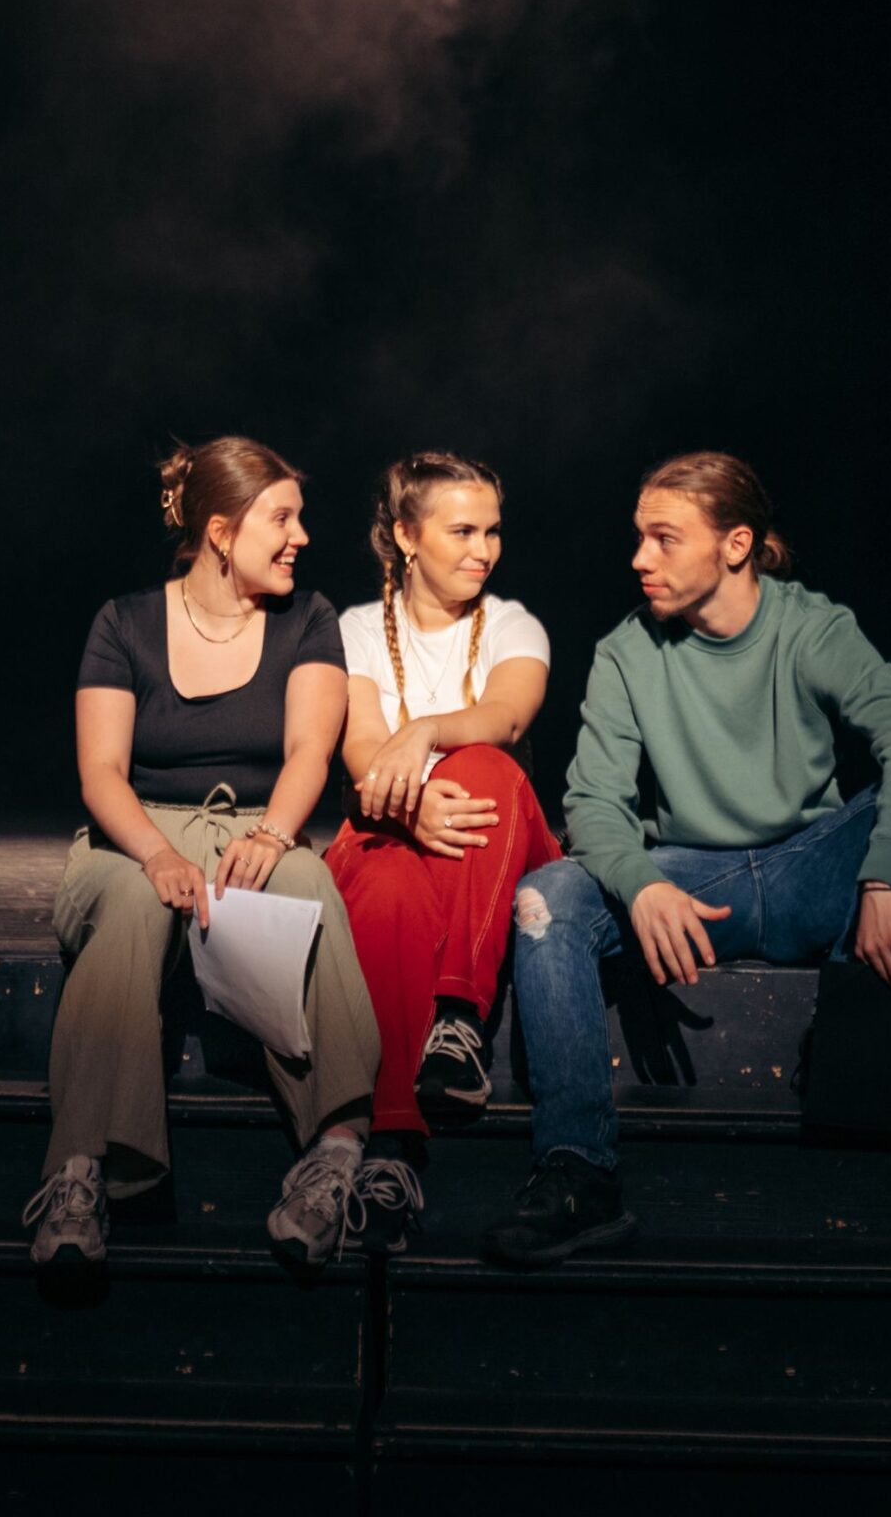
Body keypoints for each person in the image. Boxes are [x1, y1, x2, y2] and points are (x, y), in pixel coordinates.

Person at [484, 450, 891, 1268]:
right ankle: (578, 1172)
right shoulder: (629, 650)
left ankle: (845, 1036)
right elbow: (594, 802)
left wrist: (882, 878)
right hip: (695, 880)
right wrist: (642, 886)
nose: (640, 558)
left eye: (665, 539)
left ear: (736, 545)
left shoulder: (810, 626)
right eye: (640, 537)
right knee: (547, 900)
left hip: (809, 869)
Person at [24, 436, 382, 1277]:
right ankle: (79, 1175)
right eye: (281, 519)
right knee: (132, 900)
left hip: (254, 828)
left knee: (305, 880)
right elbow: (101, 773)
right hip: (133, 835)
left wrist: (273, 835)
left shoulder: (309, 619)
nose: (300, 537)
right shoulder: (125, 623)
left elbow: (309, 752)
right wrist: (154, 854)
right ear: (221, 532)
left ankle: (335, 1159)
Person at [324, 452, 559, 1243]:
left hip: (495, 847)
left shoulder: (514, 623)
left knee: (483, 763)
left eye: (492, 531)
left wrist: (424, 732)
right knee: (387, 885)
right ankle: (392, 1143)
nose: (483, 550)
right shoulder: (356, 631)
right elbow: (362, 749)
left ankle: (458, 1021)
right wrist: (411, 805)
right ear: (406, 535)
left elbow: (506, 716)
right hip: (394, 828)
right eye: (463, 531)